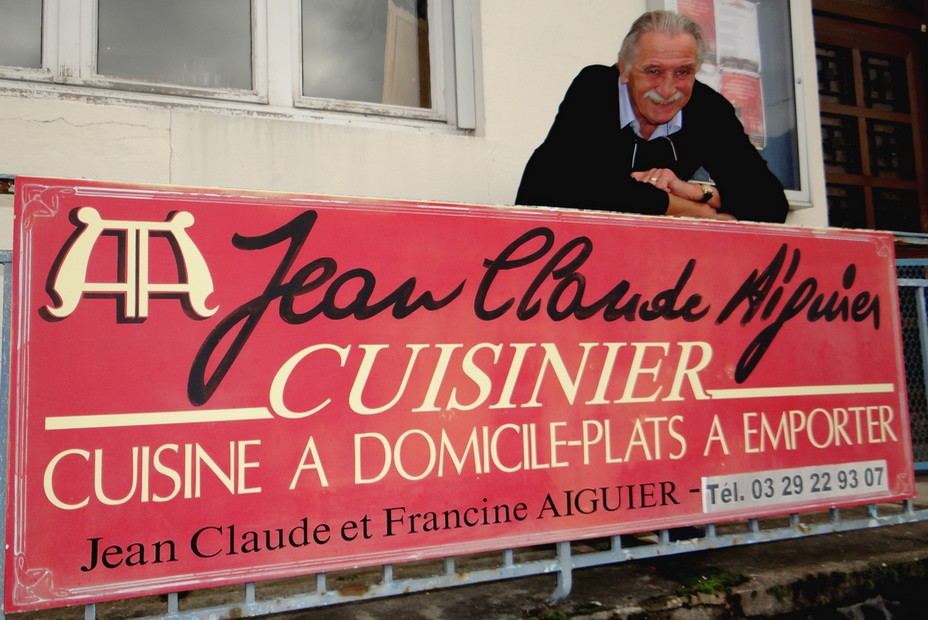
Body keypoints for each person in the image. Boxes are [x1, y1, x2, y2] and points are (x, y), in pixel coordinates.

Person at [515, 10, 789, 223]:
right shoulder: (595, 87)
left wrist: (694, 191)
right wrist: (700, 214)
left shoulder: (708, 109)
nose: (668, 90)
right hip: (554, 253)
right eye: (653, 71)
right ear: (624, 68)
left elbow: (771, 204)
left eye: (683, 72)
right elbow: (576, 187)